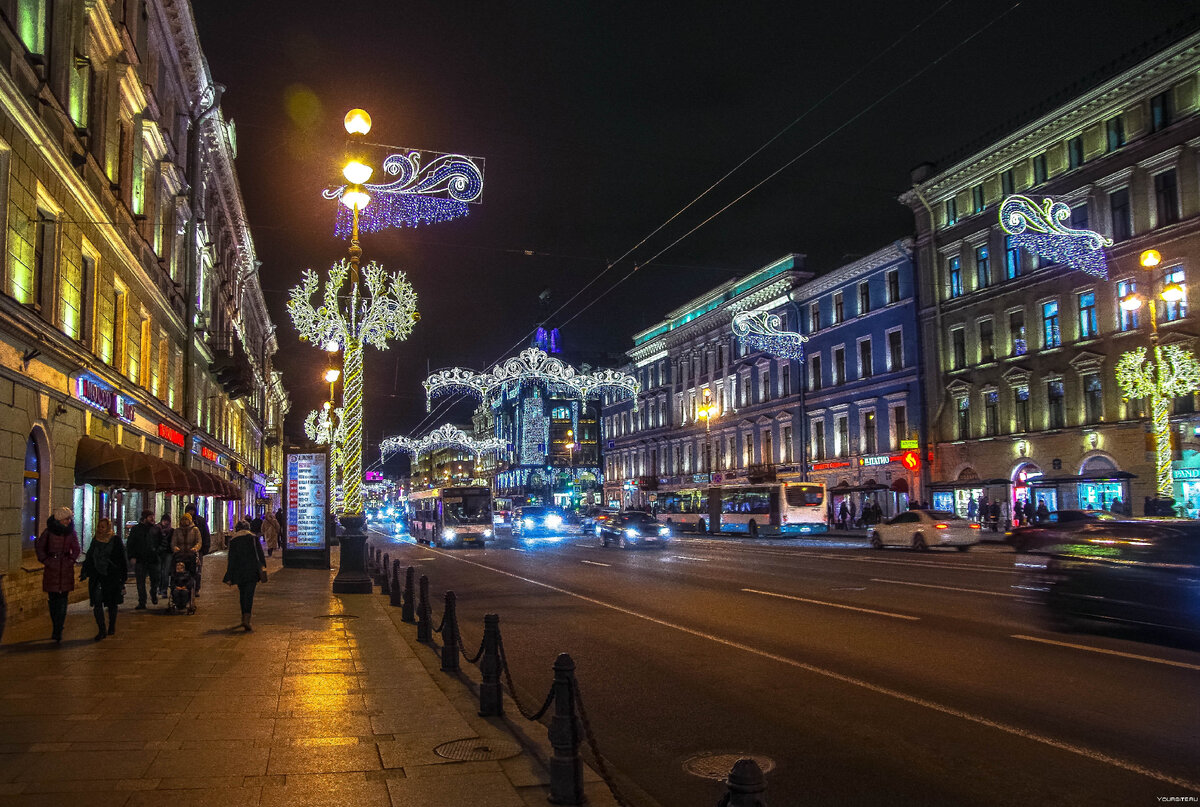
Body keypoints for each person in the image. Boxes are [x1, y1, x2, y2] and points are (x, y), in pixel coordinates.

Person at [35, 507, 81, 642]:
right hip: (52, 569)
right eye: (66, 519)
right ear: (59, 519)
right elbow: (40, 548)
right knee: (53, 599)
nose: (68, 521)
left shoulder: (71, 533)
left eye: (69, 519)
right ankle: (56, 625)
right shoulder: (48, 532)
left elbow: (76, 548)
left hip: (66, 568)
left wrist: (71, 560)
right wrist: (47, 561)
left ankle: (59, 627)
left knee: (63, 600)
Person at [80, 518, 127, 641]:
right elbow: (89, 556)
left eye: (103, 527)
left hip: (111, 576)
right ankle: (101, 629)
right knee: (97, 602)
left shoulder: (115, 540)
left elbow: (122, 559)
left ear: (108, 528)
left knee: (111, 603)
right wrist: (85, 570)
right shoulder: (95, 540)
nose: (100, 529)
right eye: (99, 526)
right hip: (97, 576)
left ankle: (111, 625)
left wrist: (123, 577)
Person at [224, 519, 266, 631]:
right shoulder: (253, 538)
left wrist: (229, 575)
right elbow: (260, 555)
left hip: (239, 572)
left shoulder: (233, 541)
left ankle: (244, 617)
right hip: (252, 571)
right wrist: (263, 568)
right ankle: (246, 618)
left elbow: (231, 560)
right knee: (249, 594)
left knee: (242, 594)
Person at [125, 510, 158, 609]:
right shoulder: (136, 529)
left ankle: (153, 593)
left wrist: (158, 552)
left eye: (153, 516)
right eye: (150, 517)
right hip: (140, 559)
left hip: (153, 559)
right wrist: (131, 556)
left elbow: (161, 541)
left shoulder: (155, 529)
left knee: (155, 580)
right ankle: (142, 601)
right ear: (144, 518)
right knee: (140, 582)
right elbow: (130, 544)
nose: (152, 518)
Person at [182, 505, 208, 596]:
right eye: (189, 510)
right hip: (184, 552)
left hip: (197, 551)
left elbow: (204, 536)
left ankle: (196, 588)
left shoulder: (199, 522)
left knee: (197, 570)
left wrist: (203, 548)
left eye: (192, 510)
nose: (191, 512)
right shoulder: (183, 523)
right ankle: (185, 587)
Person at [153, 515, 174, 598]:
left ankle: (164, 590)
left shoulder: (171, 531)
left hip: (168, 553)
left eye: (167, 521)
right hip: (159, 553)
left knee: (165, 572)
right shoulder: (156, 529)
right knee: (159, 572)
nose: (166, 522)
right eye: (164, 520)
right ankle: (159, 589)